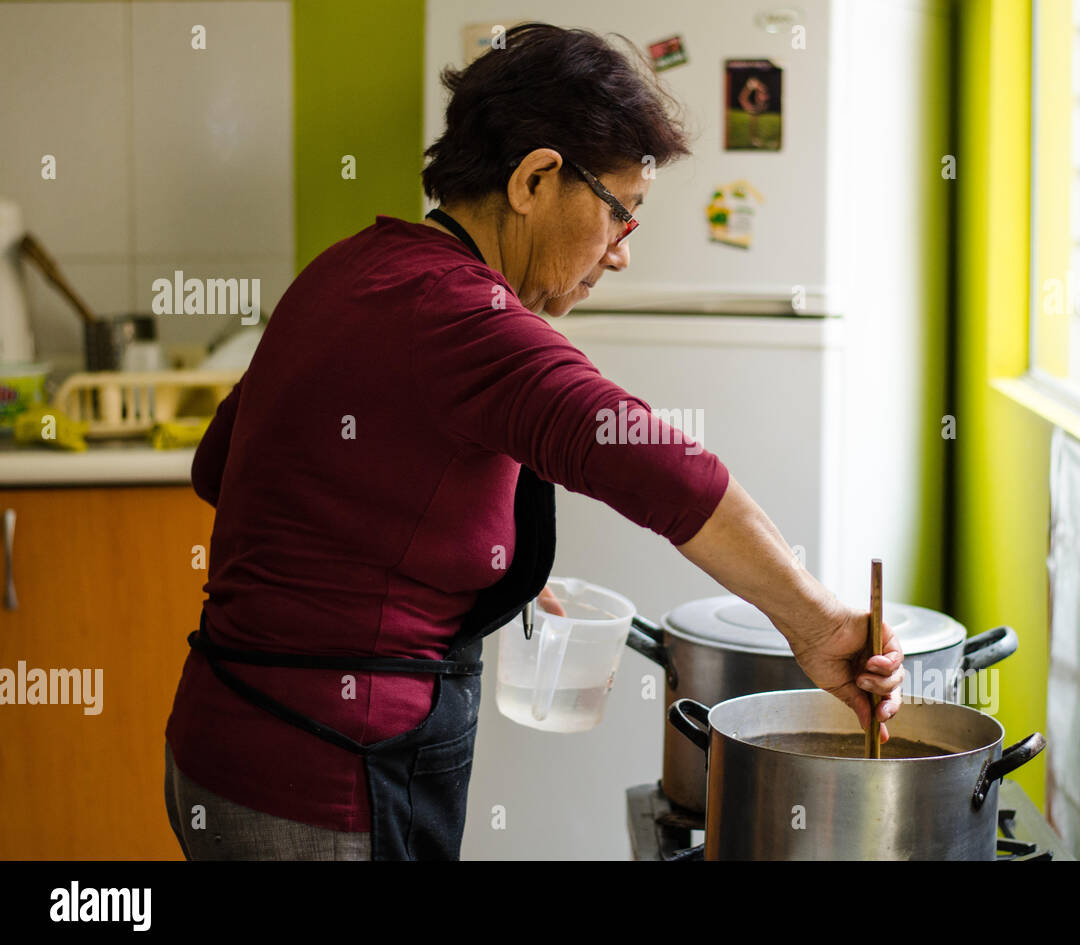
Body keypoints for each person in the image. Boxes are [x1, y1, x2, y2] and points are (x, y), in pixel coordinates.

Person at [163, 22, 903, 862]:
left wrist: (460, 560)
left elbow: (223, 465)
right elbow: (662, 466)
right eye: (621, 216)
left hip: (218, 746)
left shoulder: (346, 268)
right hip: (323, 781)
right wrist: (819, 624)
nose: (620, 256)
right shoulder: (466, 318)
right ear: (535, 179)